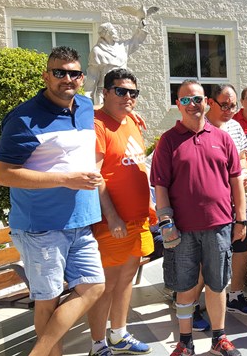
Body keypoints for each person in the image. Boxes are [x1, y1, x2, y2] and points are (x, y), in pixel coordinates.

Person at [0, 46, 105, 356]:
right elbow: (4, 174)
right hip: (41, 227)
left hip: (81, 222)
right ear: (46, 76)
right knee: (48, 299)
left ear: (82, 78)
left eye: (73, 73)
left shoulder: (84, 107)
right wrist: (64, 180)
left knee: (94, 287)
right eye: (59, 72)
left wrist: (128, 115)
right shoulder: (24, 119)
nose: (66, 78)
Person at [150, 80, 245, 356]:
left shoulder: (222, 138)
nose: (193, 105)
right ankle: (185, 342)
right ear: (177, 104)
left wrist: (241, 219)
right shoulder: (168, 141)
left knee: (217, 283)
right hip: (182, 230)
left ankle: (219, 337)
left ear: (207, 102)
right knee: (185, 286)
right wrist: (166, 221)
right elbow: (160, 186)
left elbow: (236, 180)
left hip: (219, 225)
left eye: (198, 99)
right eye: (186, 100)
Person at [86, 68, 154, 355]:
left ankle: (119, 334)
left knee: (126, 279)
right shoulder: (97, 124)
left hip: (138, 220)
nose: (127, 97)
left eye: (132, 93)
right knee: (107, 284)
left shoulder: (131, 122)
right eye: (120, 91)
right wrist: (112, 216)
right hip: (113, 223)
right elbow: (94, 175)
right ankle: (98, 344)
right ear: (105, 92)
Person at [197, 84, 247, 318]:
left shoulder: (234, 127)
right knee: (206, 256)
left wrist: (243, 173)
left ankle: (235, 295)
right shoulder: (200, 127)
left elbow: (243, 159)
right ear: (209, 102)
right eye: (225, 105)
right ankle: (191, 303)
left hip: (236, 202)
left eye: (233, 105)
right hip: (209, 205)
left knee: (243, 247)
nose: (230, 110)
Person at [84, 21, 149, 105]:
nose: (115, 31)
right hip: (105, 93)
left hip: (123, 91)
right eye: (113, 30)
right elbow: (92, 75)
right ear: (106, 33)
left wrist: (140, 28)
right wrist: (87, 95)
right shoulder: (97, 51)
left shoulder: (121, 47)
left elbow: (134, 42)